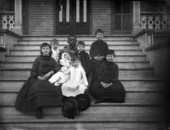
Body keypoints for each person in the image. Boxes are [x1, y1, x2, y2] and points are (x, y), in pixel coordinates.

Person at [15, 43, 63, 119]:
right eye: (43, 48)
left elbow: (57, 68)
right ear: (41, 50)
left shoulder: (52, 60)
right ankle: (39, 108)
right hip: (38, 78)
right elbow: (33, 71)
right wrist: (39, 77)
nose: (45, 50)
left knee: (55, 86)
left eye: (47, 48)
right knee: (36, 87)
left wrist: (51, 72)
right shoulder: (38, 59)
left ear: (50, 50)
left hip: (50, 78)